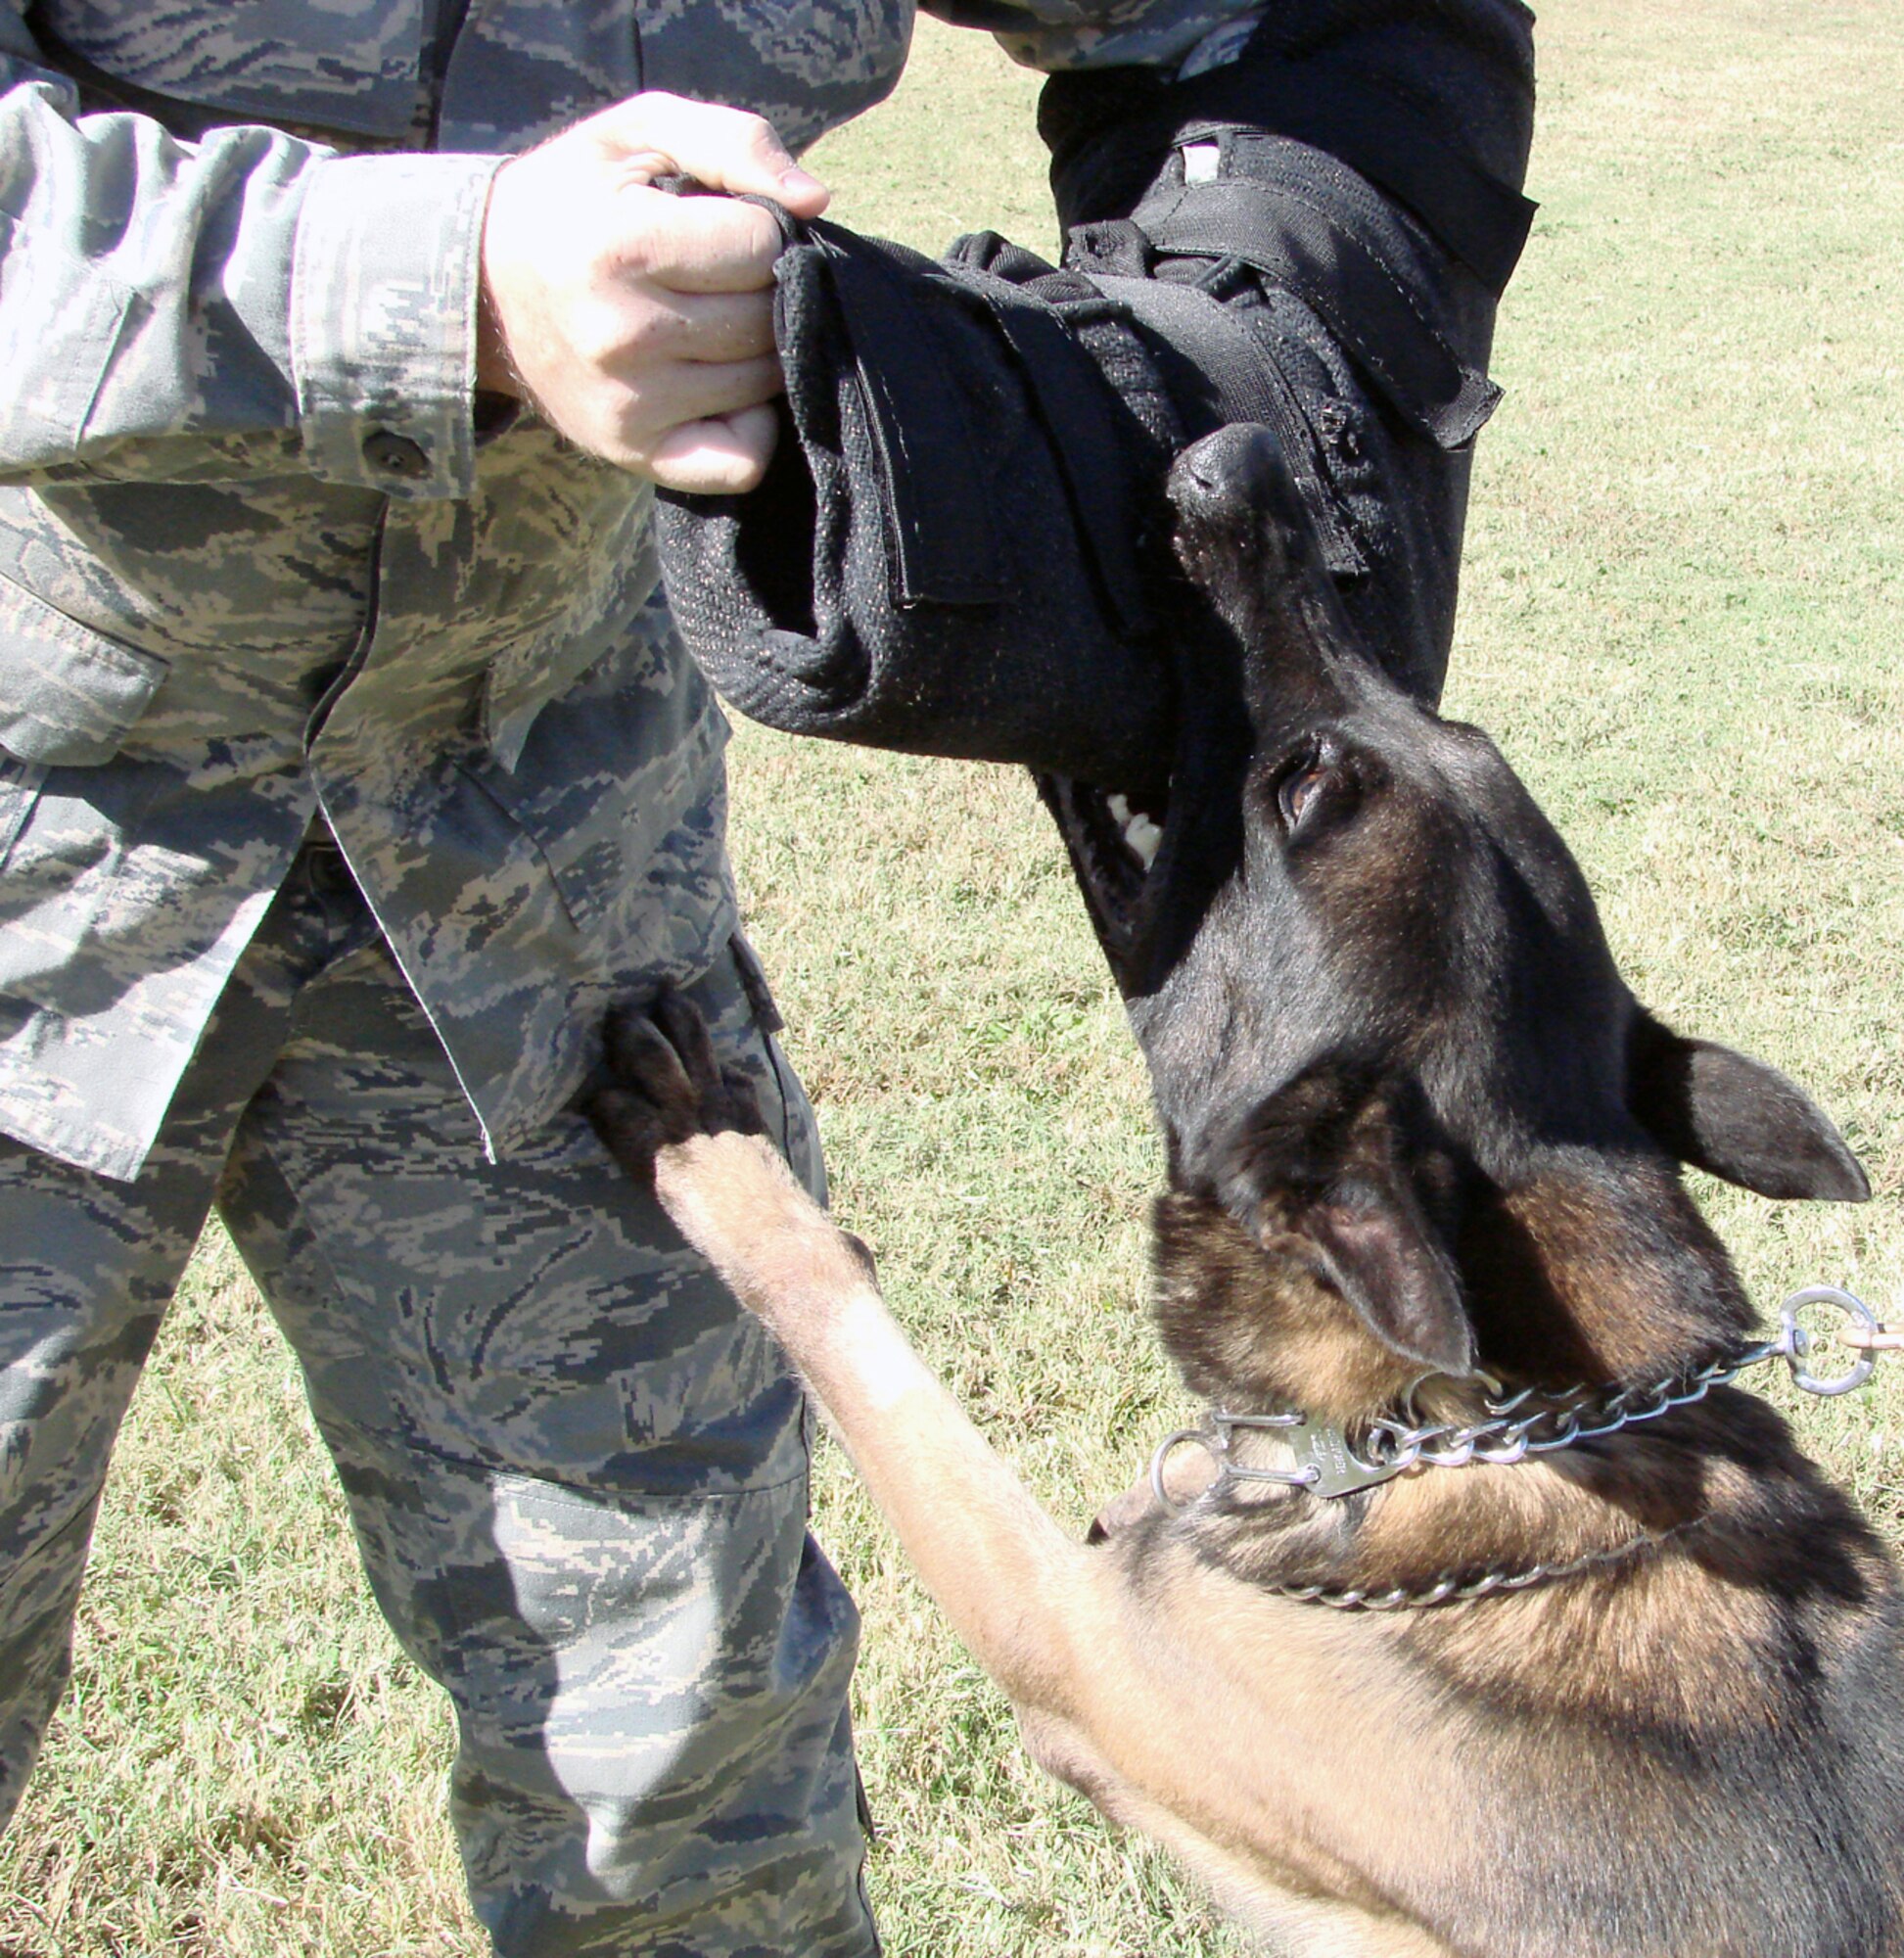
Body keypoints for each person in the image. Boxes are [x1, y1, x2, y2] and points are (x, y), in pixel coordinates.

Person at [0, 1, 1533, 1951]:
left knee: (690, 1750)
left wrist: (1265, 316)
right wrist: (447, 279)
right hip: (36, 777)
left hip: (539, 823)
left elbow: (1277, 32)